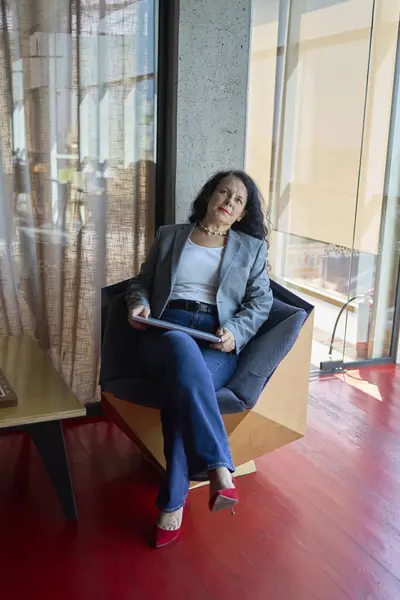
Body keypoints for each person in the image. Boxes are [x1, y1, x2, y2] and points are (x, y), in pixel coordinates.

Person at [125, 170, 273, 547]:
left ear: (241, 214)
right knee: (179, 345)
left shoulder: (251, 249)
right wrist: (139, 303)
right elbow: (141, 280)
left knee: (182, 389)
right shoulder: (170, 235)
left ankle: (173, 502)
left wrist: (236, 332)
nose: (229, 201)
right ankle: (219, 466)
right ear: (209, 195)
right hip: (164, 330)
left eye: (239, 200)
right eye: (224, 192)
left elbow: (261, 302)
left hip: (214, 339)